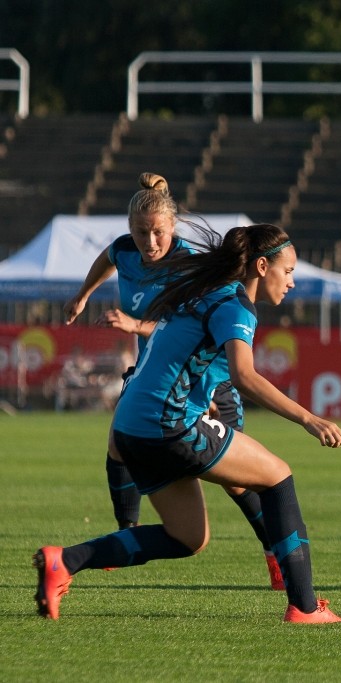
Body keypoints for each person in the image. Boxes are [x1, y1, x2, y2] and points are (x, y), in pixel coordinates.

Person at [35, 223, 341, 623]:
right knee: (277, 477)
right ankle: (305, 607)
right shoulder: (234, 304)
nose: (291, 282)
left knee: (188, 537)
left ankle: (65, 561)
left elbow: (178, 353)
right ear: (262, 266)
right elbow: (244, 376)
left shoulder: (202, 290)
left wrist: (199, 396)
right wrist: (308, 418)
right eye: (288, 271)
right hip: (167, 423)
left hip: (130, 424)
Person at [62, 173, 284, 590]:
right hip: (154, 378)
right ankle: (125, 535)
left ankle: (275, 552)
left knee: (237, 482)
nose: (149, 242)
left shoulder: (189, 265)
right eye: (140, 232)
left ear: (173, 227)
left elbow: (184, 327)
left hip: (203, 380)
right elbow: (108, 257)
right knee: (117, 445)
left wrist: (134, 325)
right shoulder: (126, 250)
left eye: (158, 233)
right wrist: (84, 293)